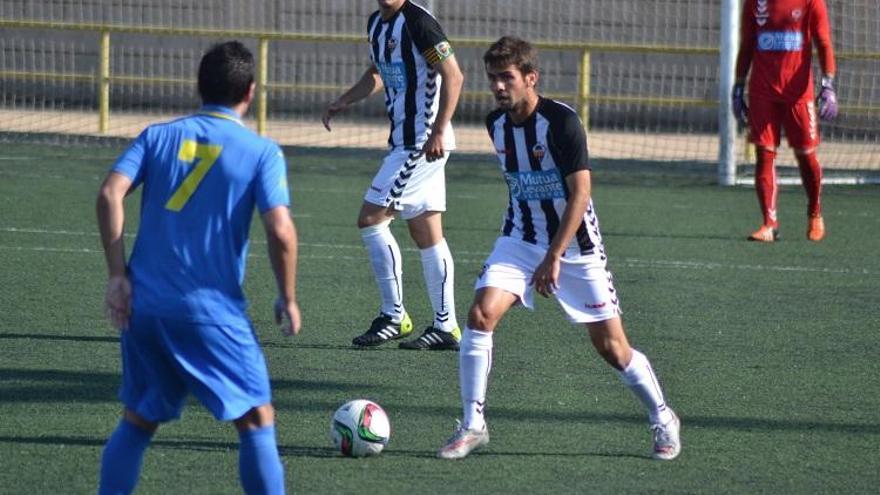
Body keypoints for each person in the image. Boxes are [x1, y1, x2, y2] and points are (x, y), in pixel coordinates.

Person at [436, 36, 681, 461]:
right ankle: (473, 425)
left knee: (612, 348)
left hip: (576, 248)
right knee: (479, 314)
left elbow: (580, 194)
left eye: (506, 78)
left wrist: (554, 257)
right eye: (493, 78)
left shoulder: (562, 122)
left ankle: (662, 417)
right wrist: (534, 250)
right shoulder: (495, 125)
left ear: (531, 78)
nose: (497, 87)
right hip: (519, 238)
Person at [96, 41, 300, 495]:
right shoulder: (261, 151)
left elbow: (110, 193)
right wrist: (287, 296)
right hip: (211, 312)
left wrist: (118, 276)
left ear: (198, 87)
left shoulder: (157, 135)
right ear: (250, 92)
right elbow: (281, 231)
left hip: (146, 307)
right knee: (256, 418)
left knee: (138, 420)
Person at [322, 0, 464, 350]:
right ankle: (445, 326)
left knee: (371, 219)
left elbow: (454, 75)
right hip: (405, 140)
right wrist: (345, 99)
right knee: (426, 231)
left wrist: (438, 131)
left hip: (422, 142)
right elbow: (378, 71)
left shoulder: (419, 22)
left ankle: (394, 315)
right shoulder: (375, 23)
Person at [732, 0, 838, 242]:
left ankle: (814, 212)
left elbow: (823, 43)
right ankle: (769, 224)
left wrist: (828, 84)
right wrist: (738, 87)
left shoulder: (811, 2)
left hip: (798, 93)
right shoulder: (754, 3)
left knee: (806, 155)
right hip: (762, 90)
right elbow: (747, 45)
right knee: (764, 153)